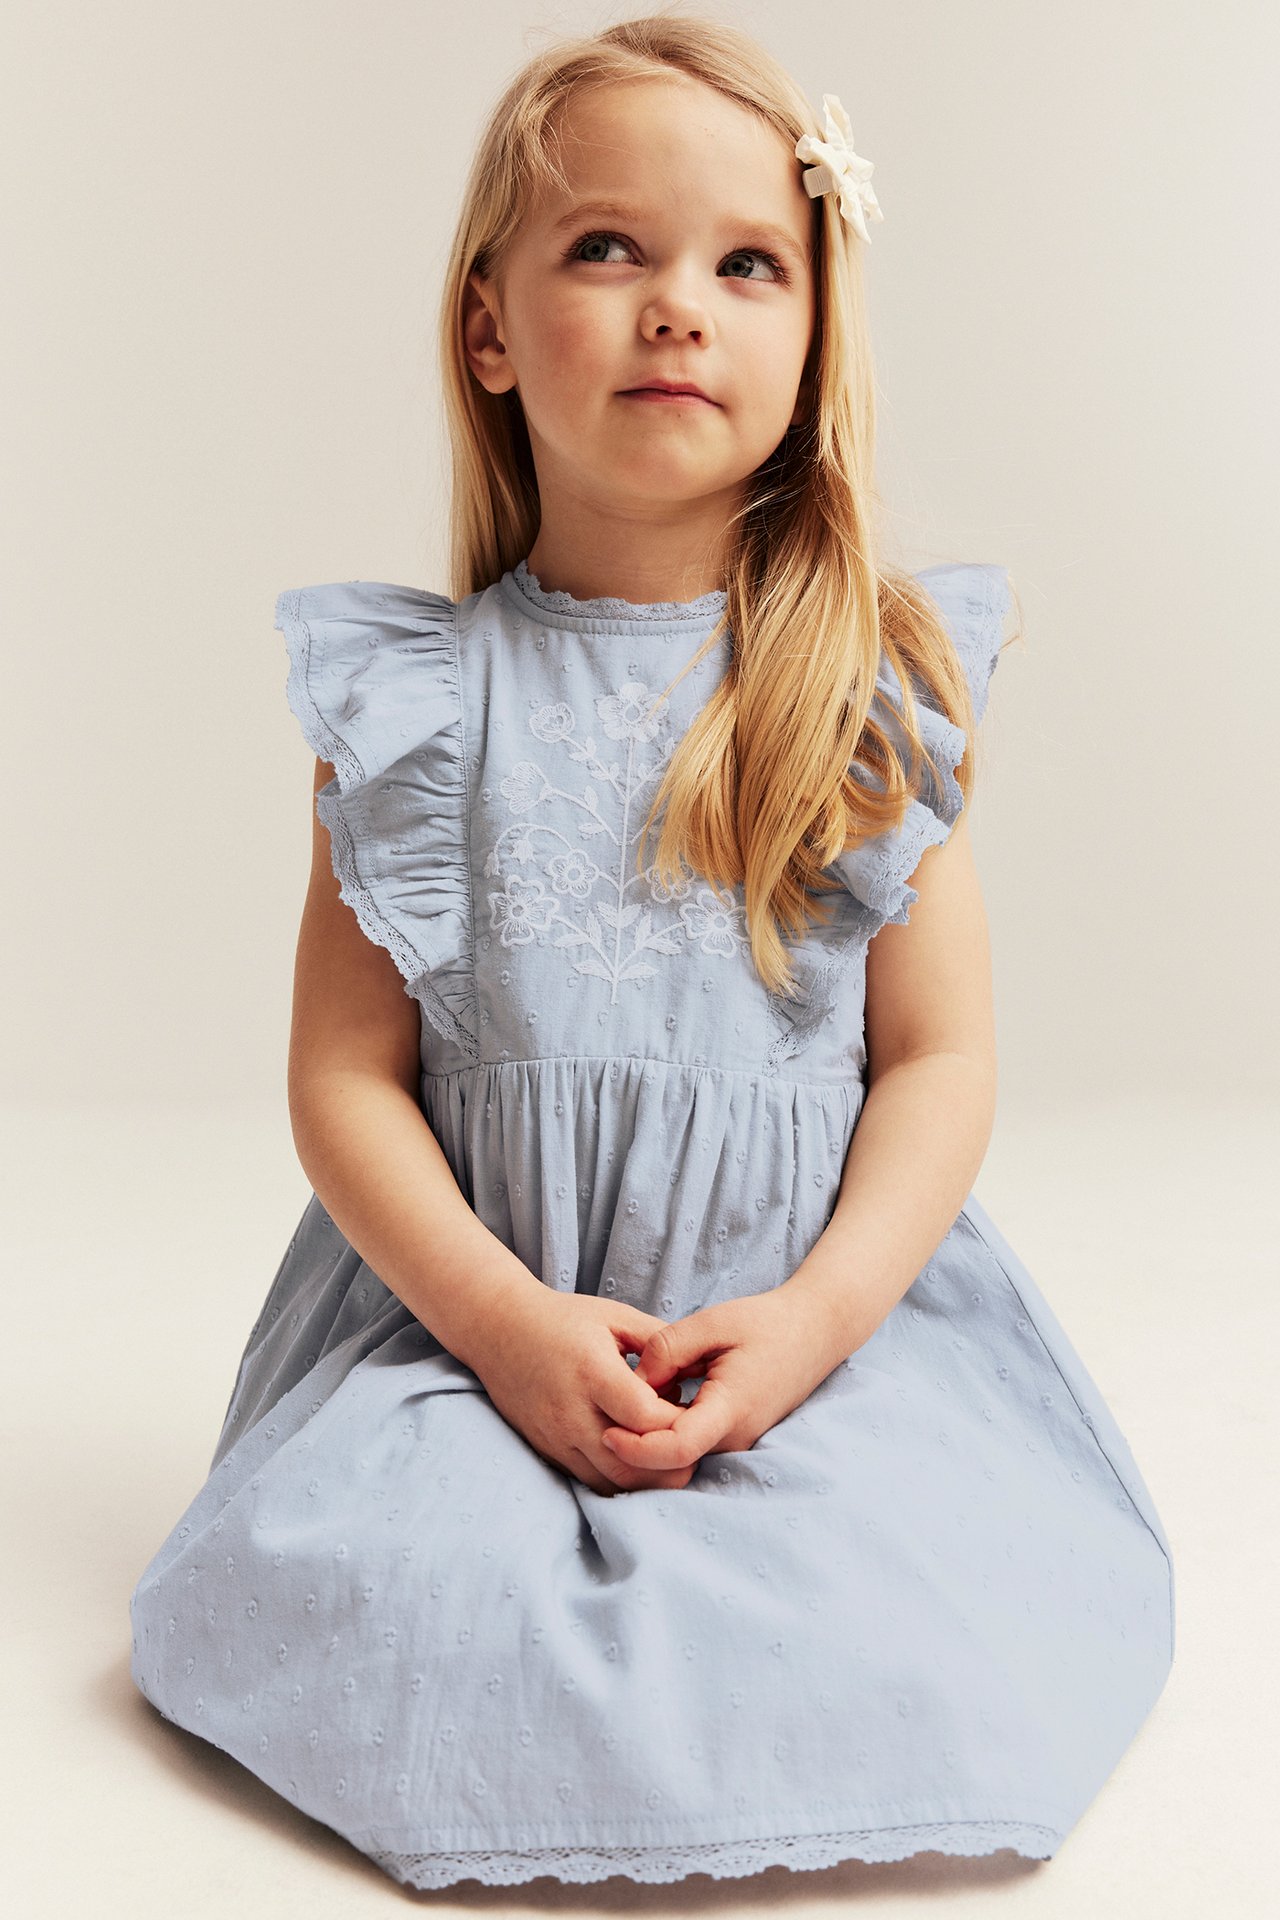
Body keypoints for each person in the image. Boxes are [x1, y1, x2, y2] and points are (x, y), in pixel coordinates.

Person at [128, 12, 1175, 1892]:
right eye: (607, 247)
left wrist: (823, 1318)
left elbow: (937, 1059)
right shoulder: (419, 701)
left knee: (913, 1607)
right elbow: (345, 1079)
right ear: (490, 326)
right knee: (384, 1593)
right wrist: (508, 1331)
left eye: (744, 261)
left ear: (813, 335)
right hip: (480, 1327)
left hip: (802, 1333)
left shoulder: (861, 696)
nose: (676, 303)